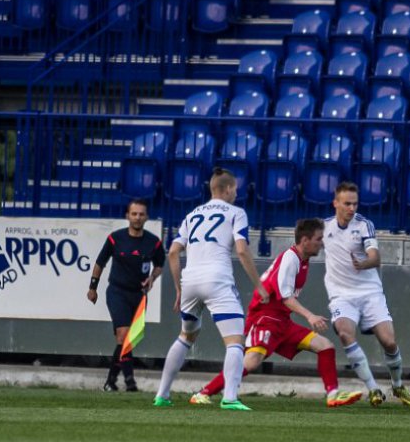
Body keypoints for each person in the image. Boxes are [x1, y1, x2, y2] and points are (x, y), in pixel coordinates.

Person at [189, 218, 363, 408]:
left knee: (325, 346)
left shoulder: (302, 260)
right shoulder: (291, 259)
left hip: (282, 321)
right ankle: (204, 393)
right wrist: (310, 316)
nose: (322, 243)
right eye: (318, 239)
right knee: (252, 361)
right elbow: (285, 298)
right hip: (265, 318)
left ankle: (333, 394)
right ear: (305, 240)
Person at [154, 168, 268, 411]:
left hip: (190, 281)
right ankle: (230, 397)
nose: (236, 194)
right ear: (227, 189)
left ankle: (162, 394)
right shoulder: (237, 213)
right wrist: (259, 285)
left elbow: (173, 252)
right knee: (236, 341)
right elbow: (241, 249)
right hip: (217, 278)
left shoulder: (192, 214)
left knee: (186, 336)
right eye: (235, 189)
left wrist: (178, 289)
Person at [323, 181, 410, 407]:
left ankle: (397, 383)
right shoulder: (323, 227)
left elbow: (376, 257)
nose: (351, 208)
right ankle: (373, 389)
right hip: (341, 294)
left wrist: (363, 264)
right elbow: (304, 242)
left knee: (389, 341)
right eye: (347, 204)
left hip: (369, 292)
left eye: (354, 204)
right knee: (345, 333)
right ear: (335, 203)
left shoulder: (364, 225)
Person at [87, 199, 165, 392]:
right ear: (127, 216)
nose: (137, 217)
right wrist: (93, 287)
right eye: (134, 214)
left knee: (129, 339)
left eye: (141, 214)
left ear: (146, 217)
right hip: (117, 292)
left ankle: (110, 381)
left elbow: (159, 265)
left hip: (139, 295)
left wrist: (152, 278)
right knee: (123, 335)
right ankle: (130, 382)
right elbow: (100, 262)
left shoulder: (153, 242)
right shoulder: (116, 238)